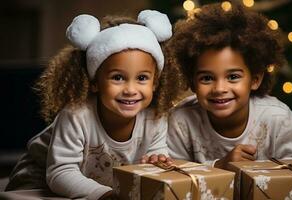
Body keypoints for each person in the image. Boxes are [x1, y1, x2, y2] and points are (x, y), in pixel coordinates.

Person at [4, 10, 173, 200]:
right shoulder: (76, 115)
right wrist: (104, 194)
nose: (130, 89)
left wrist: (156, 160)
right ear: (94, 82)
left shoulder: (156, 116)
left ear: (155, 83)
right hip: (39, 181)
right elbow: (61, 173)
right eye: (118, 78)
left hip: (97, 189)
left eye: (142, 78)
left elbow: (155, 151)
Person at [165, 3, 292, 169]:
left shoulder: (277, 117)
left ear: (255, 80)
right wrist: (220, 166)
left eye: (233, 77)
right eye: (207, 78)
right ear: (192, 82)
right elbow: (173, 174)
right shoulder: (181, 121)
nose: (219, 89)